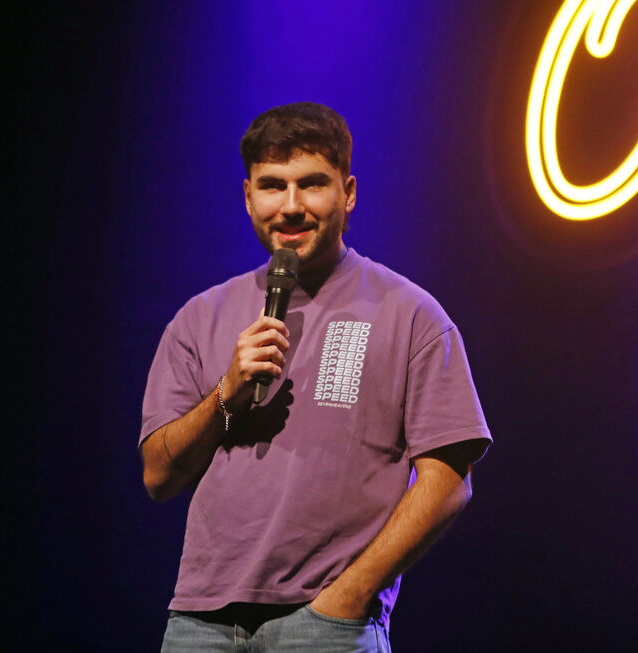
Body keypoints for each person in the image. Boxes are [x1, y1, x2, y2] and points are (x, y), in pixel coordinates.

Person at [139, 102, 492, 652]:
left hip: (324, 623)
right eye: (273, 186)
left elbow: (449, 481)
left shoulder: (411, 313)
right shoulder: (199, 316)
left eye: (312, 184)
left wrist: (348, 597)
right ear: (249, 197)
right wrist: (226, 393)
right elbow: (158, 475)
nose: (292, 206)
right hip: (198, 621)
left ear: (348, 193)